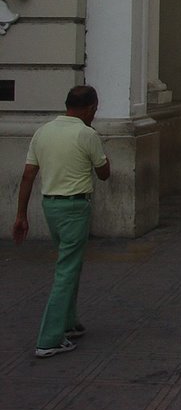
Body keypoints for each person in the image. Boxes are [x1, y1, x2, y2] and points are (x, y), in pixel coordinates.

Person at [12, 84, 110, 358]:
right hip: (75, 207)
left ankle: (69, 323)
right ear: (91, 108)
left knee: (69, 263)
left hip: (50, 207)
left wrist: (21, 215)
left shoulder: (43, 132)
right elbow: (103, 173)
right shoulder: (86, 134)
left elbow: (28, 175)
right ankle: (49, 338)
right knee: (66, 271)